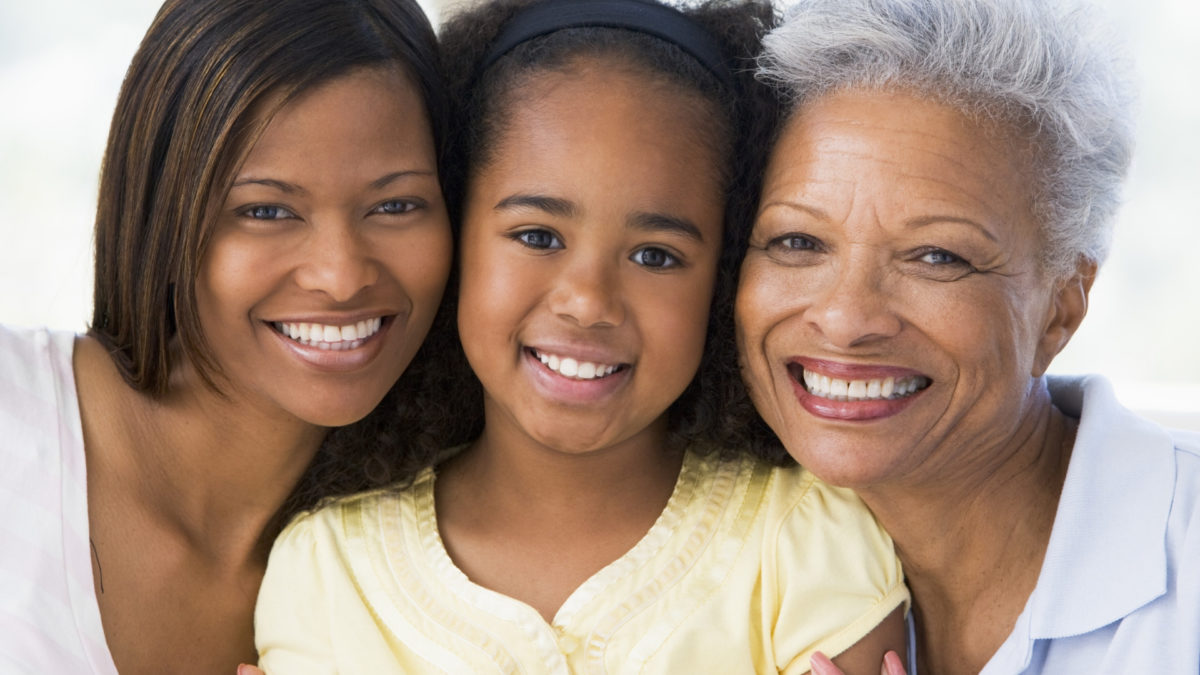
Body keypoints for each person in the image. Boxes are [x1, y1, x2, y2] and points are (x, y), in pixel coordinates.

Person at [253, 0, 911, 672]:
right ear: (455, 236)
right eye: (537, 236)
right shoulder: (327, 576)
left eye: (656, 254)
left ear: (722, 278)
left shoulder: (807, 546)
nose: (589, 301)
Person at [734, 0, 1200, 673]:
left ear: (1061, 309)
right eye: (797, 241)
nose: (845, 317)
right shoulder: (697, 570)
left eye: (936, 256)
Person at [0, 0, 454, 672]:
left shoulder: (434, 581)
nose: (340, 275)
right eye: (266, 210)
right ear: (163, 209)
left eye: (395, 205)